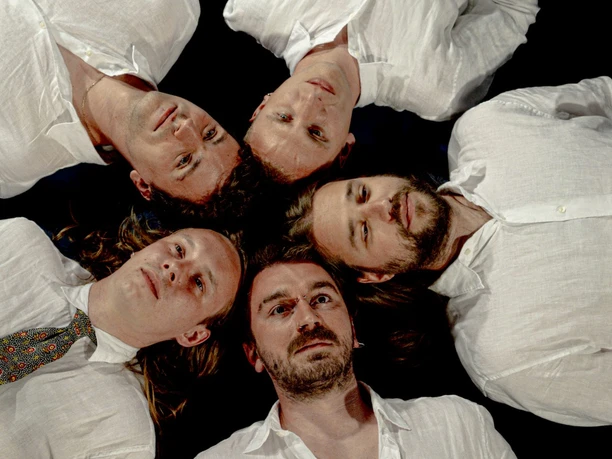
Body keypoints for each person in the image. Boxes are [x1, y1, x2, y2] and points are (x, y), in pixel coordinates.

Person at [286, 76, 612, 426]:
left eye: (363, 193)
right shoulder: (504, 355)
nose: (383, 206)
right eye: (364, 230)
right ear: (375, 274)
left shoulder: (490, 125)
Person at [196, 251, 515, 458]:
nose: (309, 319)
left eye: (321, 299)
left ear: (352, 328)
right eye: (280, 309)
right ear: (253, 354)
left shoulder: (456, 423)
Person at [0, 216, 242, 457]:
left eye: (198, 283)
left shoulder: (122, 439)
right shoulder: (19, 243)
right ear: (144, 247)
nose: (174, 268)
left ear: (192, 335)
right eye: (179, 250)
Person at [223, 0, 539, 182]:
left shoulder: (254, 9)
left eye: (284, 116)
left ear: (262, 106)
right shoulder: (438, 89)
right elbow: (510, 7)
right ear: (345, 147)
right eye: (316, 132)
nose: (310, 103)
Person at [0, 0, 240, 211]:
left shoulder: (11, 165)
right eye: (210, 133)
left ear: (143, 185)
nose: (186, 128)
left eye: (184, 160)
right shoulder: (173, 12)